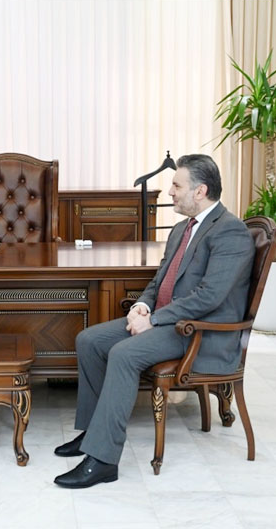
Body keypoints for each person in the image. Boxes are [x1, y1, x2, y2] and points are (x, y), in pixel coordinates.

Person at [53, 154, 255, 488]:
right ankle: (93, 432)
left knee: (123, 354)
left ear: (200, 191)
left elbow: (209, 297)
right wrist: (143, 307)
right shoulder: (181, 229)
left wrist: (156, 319)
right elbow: (159, 281)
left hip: (200, 332)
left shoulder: (230, 231)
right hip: (169, 323)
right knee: (89, 340)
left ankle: (103, 461)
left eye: (177, 185)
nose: (170, 191)